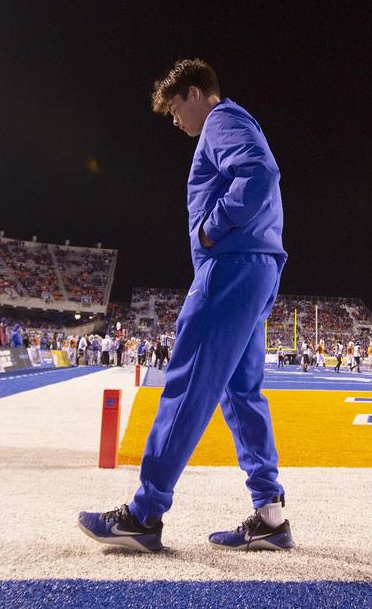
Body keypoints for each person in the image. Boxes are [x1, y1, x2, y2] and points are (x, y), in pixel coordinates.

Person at [78, 59, 293, 552]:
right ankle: (270, 514)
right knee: (242, 394)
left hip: (233, 266)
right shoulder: (232, 122)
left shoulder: (220, 121)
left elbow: (260, 173)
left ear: (196, 93)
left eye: (175, 109)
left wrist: (211, 227)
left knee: (188, 382)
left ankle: (144, 513)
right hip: (255, 266)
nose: (175, 121)